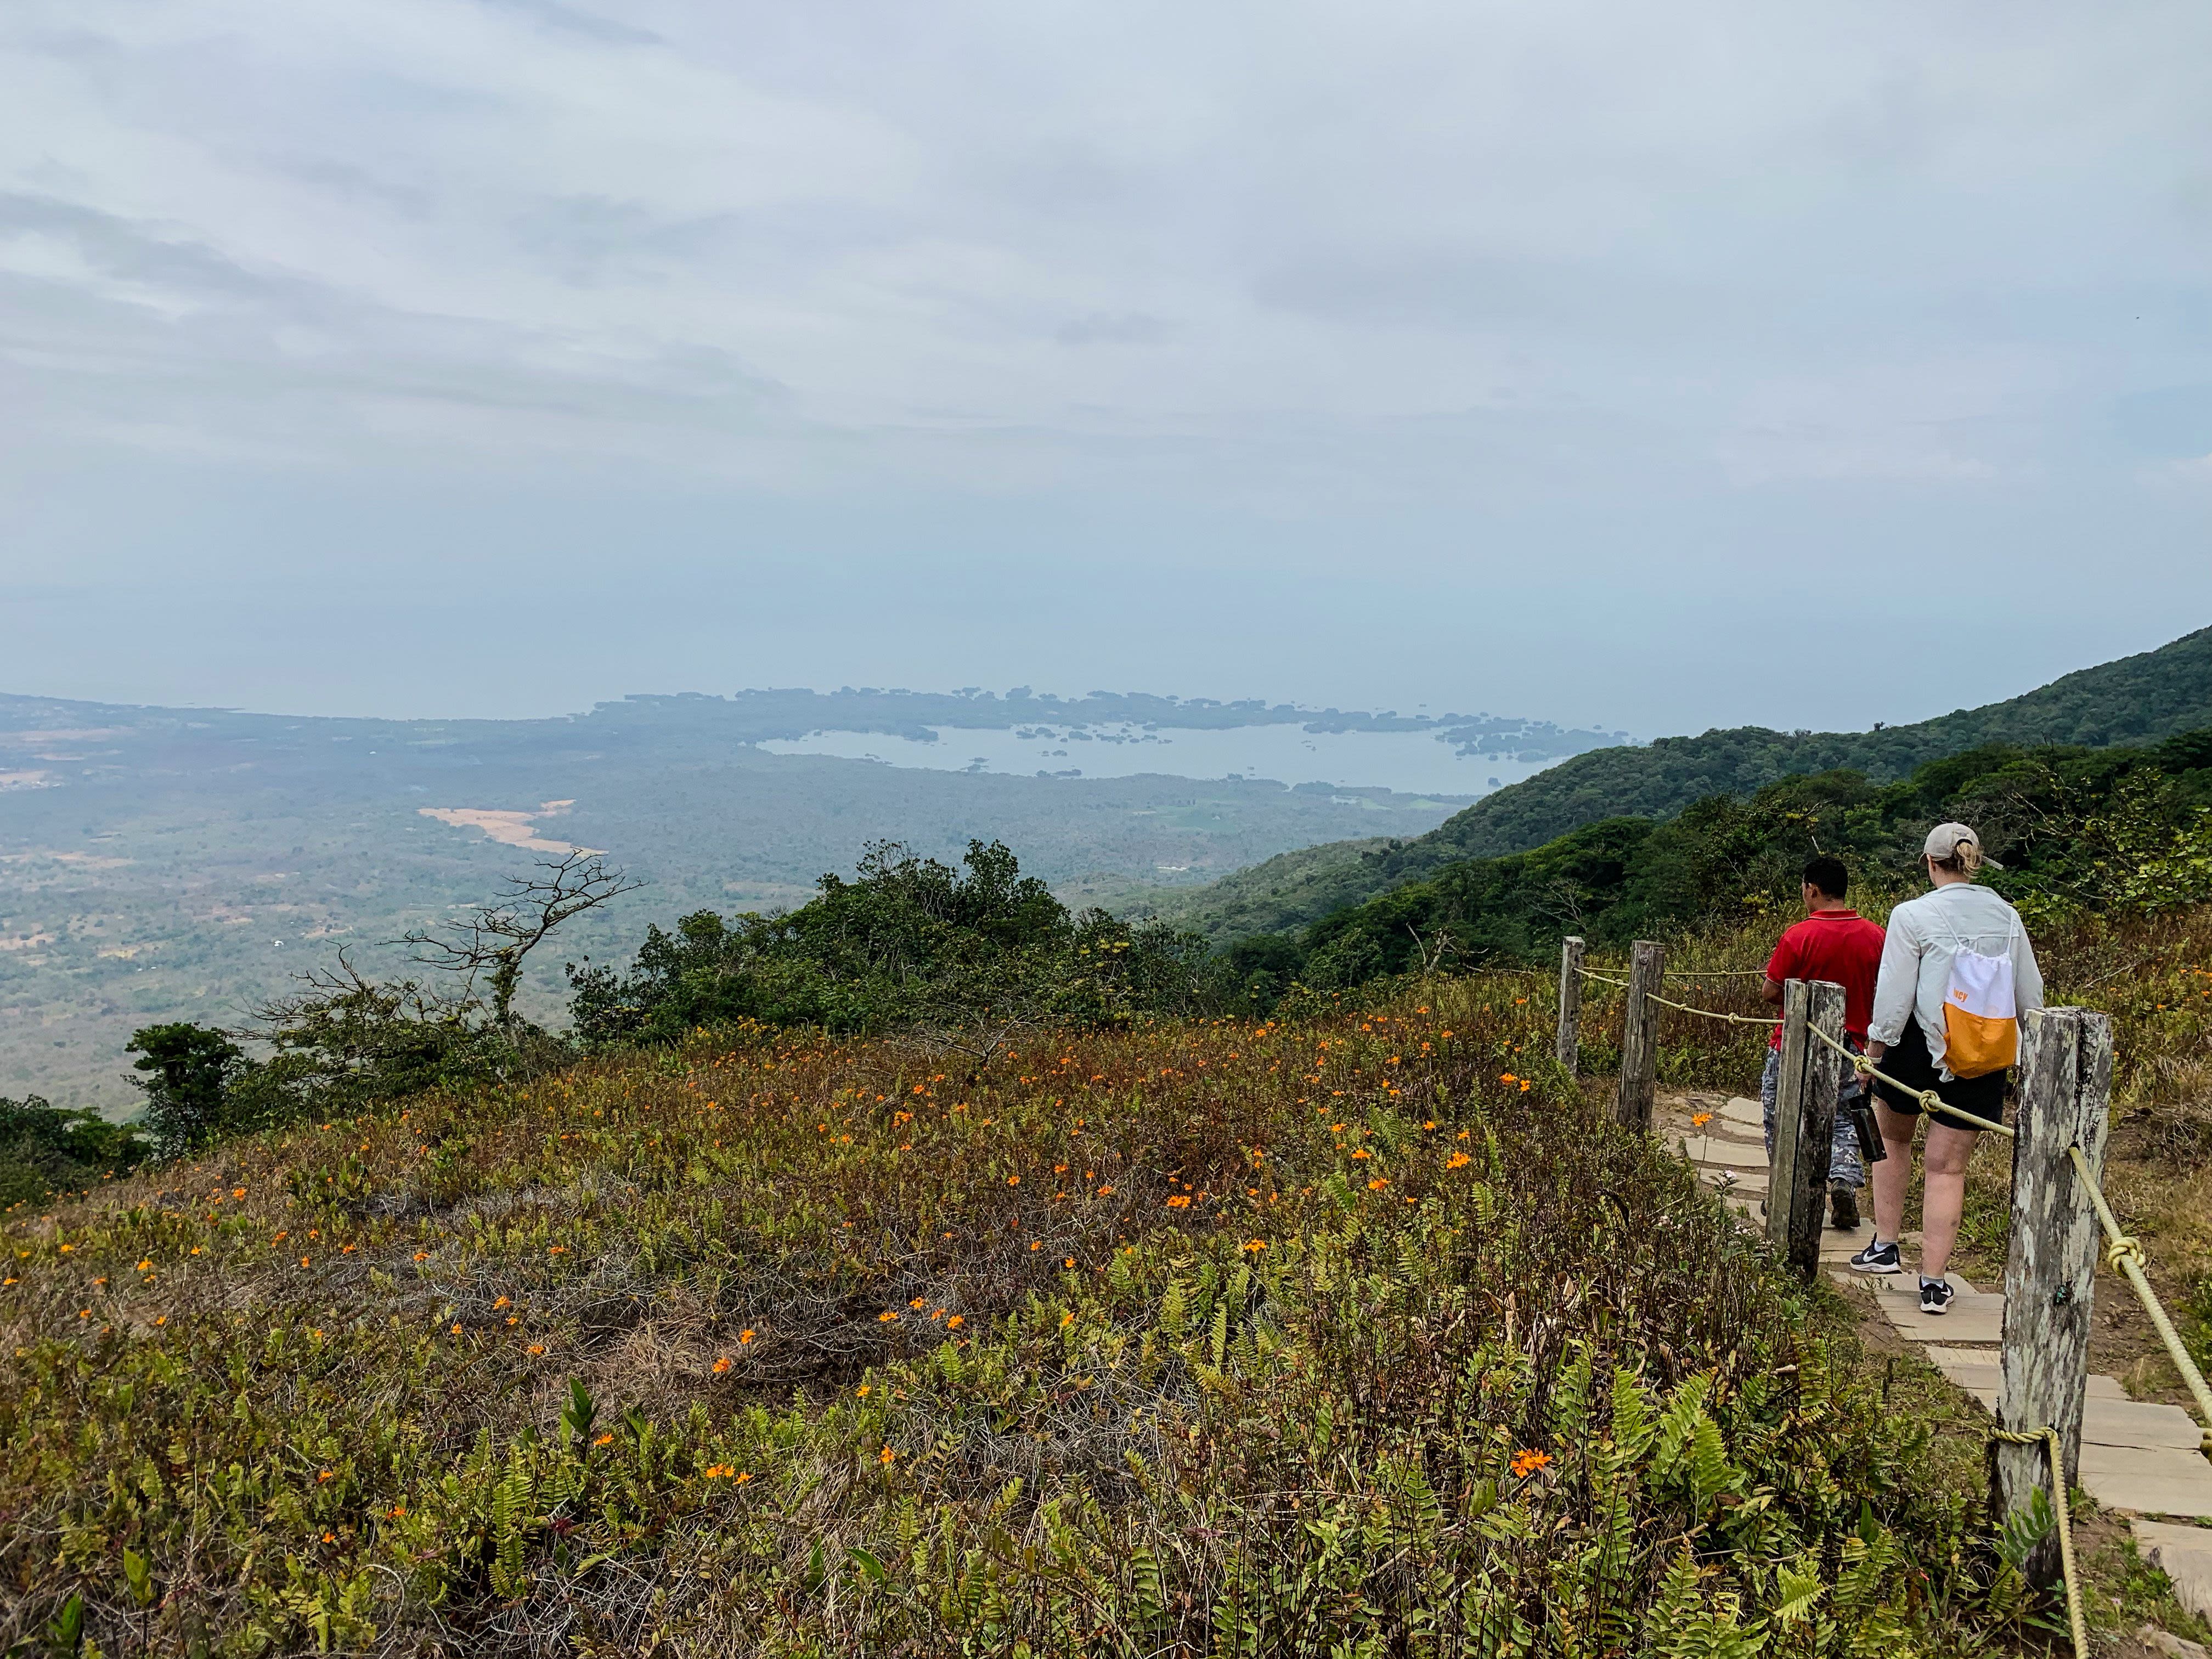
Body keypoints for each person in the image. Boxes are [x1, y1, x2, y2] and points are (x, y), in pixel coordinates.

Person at [1851, 823, 2044, 1316]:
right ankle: (1934, 1281)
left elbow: (1895, 997)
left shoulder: (1913, 914)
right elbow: (2031, 996)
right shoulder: (2006, 915)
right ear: (1973, 860)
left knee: (1894, 1141)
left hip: (1916, 1044)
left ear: (1931, 863)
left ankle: (1886, 1246)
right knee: (1948, 1168)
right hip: (1982, 1049)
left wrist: (1873, 1055)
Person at [1759, 854, 1886, 1230]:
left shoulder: (1799, 935)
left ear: (1812, 890)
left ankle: (1788, 1188)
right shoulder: (1876, 936)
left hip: (1794, 1044)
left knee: (1782, 1115)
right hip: (1853, 1048)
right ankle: (1843, 1180)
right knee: (1845, 1120)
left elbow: (1770, 991)